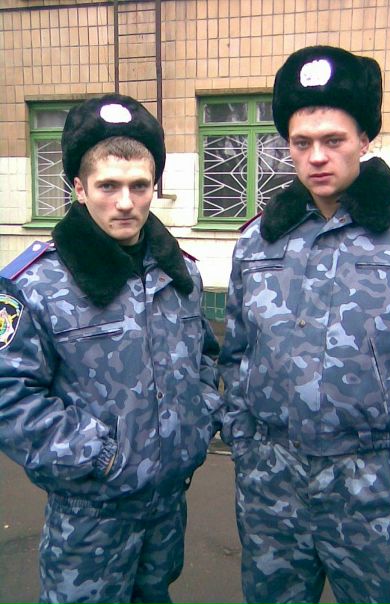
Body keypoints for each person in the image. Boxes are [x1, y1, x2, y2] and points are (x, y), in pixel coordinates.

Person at [218, 46, 390, 604]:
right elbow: (236, 350)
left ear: (365, 139)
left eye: (333, 140)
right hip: (271, 483)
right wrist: (245, 442)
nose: (316, 157)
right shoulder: (259, 239)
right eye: (301, 143)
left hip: (372, 485)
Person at [0, 93, 222, 604]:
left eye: (139, 186)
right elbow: (9, 394)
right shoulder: (37, 284)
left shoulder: (179, 273)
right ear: (79, 189)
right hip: (90, 514)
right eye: (108, 186)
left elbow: (204, 357)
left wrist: (198, 417)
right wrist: (96, 455)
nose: (125, 203)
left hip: (167, 506)